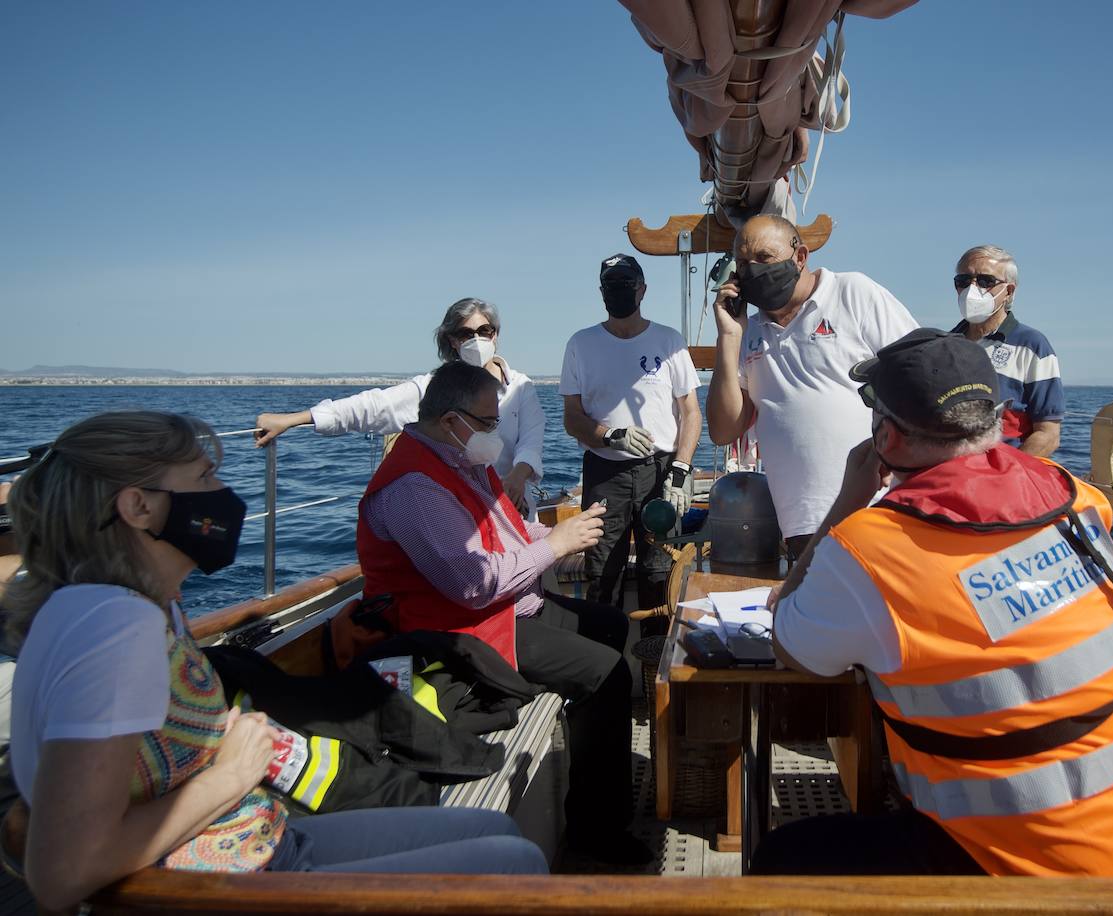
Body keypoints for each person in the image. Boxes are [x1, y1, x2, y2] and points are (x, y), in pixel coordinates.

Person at [4, 412, 546, 912]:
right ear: (138, 507)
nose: (223, 493)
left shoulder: (135, 607)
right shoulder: (112, 628)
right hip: (230, 880)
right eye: (203, 477)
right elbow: (63, 871)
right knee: (514, 864)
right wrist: (233, 771)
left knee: (490, 827)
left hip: (261, 838)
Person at [755, 329, 1113, 878]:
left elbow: (791, 644)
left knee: (783, 858)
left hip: (1053, 878)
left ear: (887, 436)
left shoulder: (868, 550)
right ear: (996, 419)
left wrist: (846, 503)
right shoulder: (1074, 495)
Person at [357, 361, 652, 865]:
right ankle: (594, 837)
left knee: (615, 627)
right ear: (452, 421)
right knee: (606, 675)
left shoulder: (461, 463)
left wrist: (572, 532)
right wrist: (557, 545)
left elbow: (512, 533)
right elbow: (472, 584)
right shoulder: (413, 486)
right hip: (458, 634)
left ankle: (606, 786)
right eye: (490, 422)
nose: (496, 433)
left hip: (507, 610)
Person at [705, 214, 918, 559]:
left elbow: (919, 374)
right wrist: (729, 338)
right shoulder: (747, 331)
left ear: (800, 256)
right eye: (743, 263)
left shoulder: (853, 293)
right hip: (802, 525)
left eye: (764, 257)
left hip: (879, 509)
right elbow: (723, 430)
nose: (753, 269)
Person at [254, 297, 546, 518]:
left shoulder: (521, 386)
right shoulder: (433, 388)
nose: (477, 340)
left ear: (496, 334)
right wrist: (295, 419)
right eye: (466, 334)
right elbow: (373, 407)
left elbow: (531, 442)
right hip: (455, 510)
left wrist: (516, 479)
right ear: (452, 341)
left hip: (511, 505)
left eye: (484, 330)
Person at [559, 254, 702, 611]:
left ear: (642, 289)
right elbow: (572, 418)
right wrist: (609, 435)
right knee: (603, 573)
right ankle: (601, 663)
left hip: (661, 472)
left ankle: (656, 660)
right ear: (601, 292)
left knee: (661, 571)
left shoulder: (670, 342)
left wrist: (681, 470)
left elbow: (691, 413)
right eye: (612, 285)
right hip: (605, 473)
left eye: (626, 283)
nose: (619, 290)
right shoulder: (581, 344)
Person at [951, 245, 1064, 457]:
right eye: (963, 281)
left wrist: (1006, 476)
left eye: (985, 281)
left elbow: (1048, 434)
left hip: (1002, 476)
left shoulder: (1033, 345)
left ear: (1009, 291)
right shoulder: (945, 345)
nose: (972, 289)